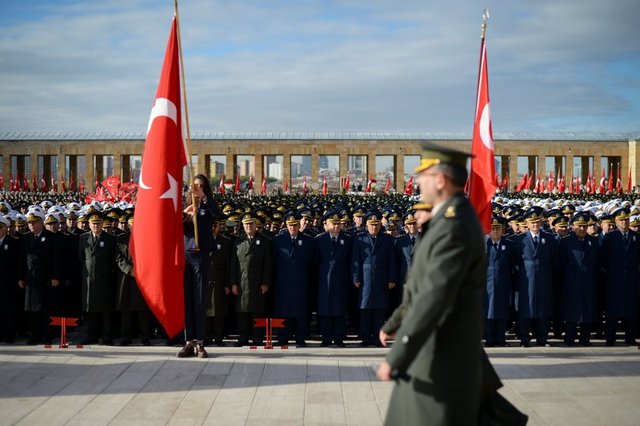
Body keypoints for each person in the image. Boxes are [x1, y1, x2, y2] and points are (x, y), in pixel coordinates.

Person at [376, 141, 486, 424]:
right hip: (432, 350)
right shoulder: (445, 221)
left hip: (442, 355)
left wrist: (398, 354)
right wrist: (394, 323)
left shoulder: (454, 226)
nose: (417, 182)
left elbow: (434, 296)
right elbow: (420, 286)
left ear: (440, 180)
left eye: (422, 176)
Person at [178, 174, 220, 358]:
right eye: (195, 185)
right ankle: (188, 342)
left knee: (200, 300)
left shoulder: (208, 203)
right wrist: (185, 214)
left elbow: (217, 213)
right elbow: (175, 225)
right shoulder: (186, 205)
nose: (197, 188)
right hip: (187, 255)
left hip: (202, 255)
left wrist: (203, 197)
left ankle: (200, 343)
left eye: (201, 185)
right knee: (187, 301)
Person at [352, 211, 397, 347]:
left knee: (379, 310)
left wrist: (392, 279)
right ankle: (365, 338)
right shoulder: (359, 239)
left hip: (381, 279)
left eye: (376, 225)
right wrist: (355, 278)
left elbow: (392, 261)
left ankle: (377, 339)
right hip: (365, 280)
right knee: (365, 310)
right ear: (366, 225)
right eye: (371, 225)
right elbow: (355, 260)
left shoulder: (387, 239)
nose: (374, 228)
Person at [514, 209, 557, 347]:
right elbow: (515, 260)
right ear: (527, 223)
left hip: (544, 278)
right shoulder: (520, 239)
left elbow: (553, 258)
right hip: (526, 278)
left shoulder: (549, 238)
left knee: (543, 308)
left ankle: (542, 338)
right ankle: (524, 339)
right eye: (532, 223)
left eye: (537, 222)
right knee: (526, 308)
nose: (535, 225)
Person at [18, 209, 61, 344]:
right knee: (32, 310)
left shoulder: (51, 237)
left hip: (46, 279)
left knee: (46, 310)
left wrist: (55, 276)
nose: (32, 225)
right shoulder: (25, 238)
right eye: (30, 223)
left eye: (35, 223)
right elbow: (21, 260)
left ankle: (47, 335)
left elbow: (56, 259)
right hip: (31, 279)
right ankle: (35, 335)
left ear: (42, 222)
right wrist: (20, 277)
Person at [556, 212, 600, 346]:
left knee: (587, 311)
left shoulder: (593, 241)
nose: (582, 229)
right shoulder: (566, 242)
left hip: (588, 282)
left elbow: (598, 263)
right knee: (571, 312)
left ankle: (585, 338)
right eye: (579, 226)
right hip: (571, 282)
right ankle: (569, 338)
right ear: (573, 226)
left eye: (584, 226)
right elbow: (559, 264)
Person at [230, 213, 272, 346]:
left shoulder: (264, 241)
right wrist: (233, 283)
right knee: (242, 313)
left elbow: (268, 264)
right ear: (242, 225)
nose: (248, 226)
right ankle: (243, 337)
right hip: (242, 281)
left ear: (256, 225)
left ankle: (257, 338)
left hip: (257, 282)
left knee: (257, 312)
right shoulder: (238, 241)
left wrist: (266, 282)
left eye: (251, 223)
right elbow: (233, 264)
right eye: (246, 224)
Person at [272, 212, 314, 346]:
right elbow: (274, 261)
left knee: (300, 312)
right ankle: (282, 338)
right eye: (290, 225)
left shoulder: (308, 240)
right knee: (283, 311)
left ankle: (300, 338)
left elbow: (312, 262)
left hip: (301, 281)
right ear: (286, 225)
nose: (293, 228)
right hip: (284, 281)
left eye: (295, 225)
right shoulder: (279, 240)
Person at [601, 207, 640, 346]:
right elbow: (604, 259)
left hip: (631, 278)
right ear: (616, 222)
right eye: (621, 220)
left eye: (626, 220)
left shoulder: (636, 237)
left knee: (631, 309)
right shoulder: (611, 238)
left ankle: (630, 338)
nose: (624, 222)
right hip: (614, 278)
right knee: (612, 309)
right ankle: (610, 338)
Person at [78, 212, 118, 345]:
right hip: (88, 279)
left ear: (102, 224)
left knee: (105, 309)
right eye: (93, 224)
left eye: (98, 223)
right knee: (90, 309)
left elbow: (114, 260)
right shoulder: (83, 238)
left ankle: (107, 336)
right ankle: (91, 335)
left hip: (104, 278)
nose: (96, 226)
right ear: (89, 224)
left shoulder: (110, 239)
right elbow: (81, 258)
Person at [314, 211, 352, 347]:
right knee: (325, 310)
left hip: (341, 280)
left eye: (338, 223)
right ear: (326, 224)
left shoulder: (347, 239)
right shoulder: (319, 239)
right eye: (333, 223)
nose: (336, 226)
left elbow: (350, 260)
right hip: (324, 280)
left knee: (340, 310)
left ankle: (339, 338)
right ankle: (326, 338)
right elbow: (316, 261)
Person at [115, 216, 153, 346]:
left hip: (142, 276)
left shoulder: (147, 238)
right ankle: (127, 335)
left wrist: (140, 269)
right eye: (131, 224)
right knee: (126, 307)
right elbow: (118, 257)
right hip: (126, 277)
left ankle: (145, 335)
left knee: (143, 308)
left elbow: (150, 256)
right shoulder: (121, 238)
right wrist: (129, 269)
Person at [484, 216, 518, 347]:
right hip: (487, 285)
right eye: (492, 229)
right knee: (488, 312)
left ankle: (500, 338)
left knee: (502, 312)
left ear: (502, 230)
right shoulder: (484, 245)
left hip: (503, 283)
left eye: (498, 228)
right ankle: (489, 339)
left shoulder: (508, 244)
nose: (495, 231)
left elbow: (514, 264)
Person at [206, 217, 233, 346]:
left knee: (219, 312)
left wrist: (227, 283)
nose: (213, 229)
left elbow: (228, 265)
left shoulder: (225, 242)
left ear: (218, 227)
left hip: (219, 279)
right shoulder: (200, 240)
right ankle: (206, 337)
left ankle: (218, 337)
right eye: (211, 226)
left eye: (214, 226)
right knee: (205, 311)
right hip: (205, 279)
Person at [0, 216, 20, 343]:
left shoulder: (13, 242)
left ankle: (9, 334)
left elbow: (18, 263)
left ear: (5, 228)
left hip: (8, 282)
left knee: (9, 309)